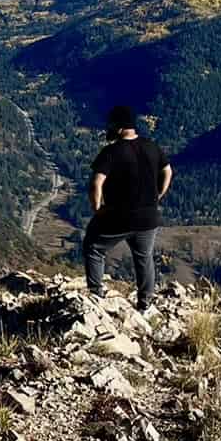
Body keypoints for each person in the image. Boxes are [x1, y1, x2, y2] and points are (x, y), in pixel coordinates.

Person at [83, 105, 172, 311]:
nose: (109, 128)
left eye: (112, 125)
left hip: (119, 216)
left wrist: (98, 209)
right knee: (144, 257)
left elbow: (96, 182)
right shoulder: (152, 146)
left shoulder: (111, 151)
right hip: (149, 216)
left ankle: (96, 297)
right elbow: (167, 170)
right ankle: (145, 303)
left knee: (94, 248)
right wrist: (158, 194)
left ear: (120, 127)